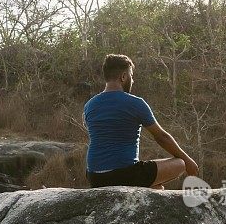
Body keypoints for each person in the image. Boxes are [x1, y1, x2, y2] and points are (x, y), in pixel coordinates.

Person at [84, 54, 198, 189]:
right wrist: (188, 160)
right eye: (131, 76)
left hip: (94, 177)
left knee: (157, 188)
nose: (133, 81)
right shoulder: (135, 103)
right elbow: (161, 137)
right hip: (124, 175)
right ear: (124, 77)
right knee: (180, 163)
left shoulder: (89, 105)